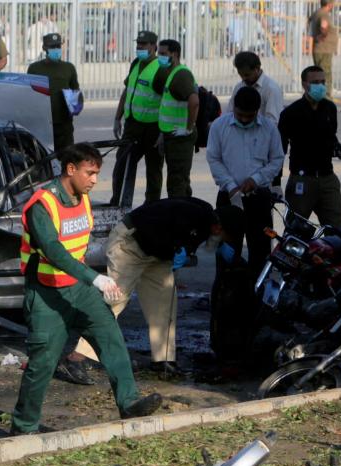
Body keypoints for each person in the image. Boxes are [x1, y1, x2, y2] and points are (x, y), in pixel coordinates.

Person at [12, 143, 162, 434]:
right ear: (71, 169)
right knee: (43, 362)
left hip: (78, 289)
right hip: (46, 293)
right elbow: (54, 252)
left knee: (110, 336)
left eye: (97, 173)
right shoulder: (42, 205)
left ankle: (129, 403)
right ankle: (23, 427)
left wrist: (97, 281)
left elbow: (78, 246)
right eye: (89, 173)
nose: (94, 180)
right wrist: (96, 279)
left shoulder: (81, 198)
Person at [61, 199, 238, 384]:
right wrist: (177, 250)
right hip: (131, 245)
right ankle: (75, 358)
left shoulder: (205, 222)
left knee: (165, 303)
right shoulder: (192, 215)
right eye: (226, 237)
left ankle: (163, 360)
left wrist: (178, 250)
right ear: (218, 228)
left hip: (157, 253)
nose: (224, 242)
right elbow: (163, 231)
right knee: (115, 301)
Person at [206, 86, 284, 272]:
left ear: (257, 112)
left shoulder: (269, 129)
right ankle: (226, 295)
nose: (244, 119)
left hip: (258, 199)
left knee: (261, 250)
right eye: (240, 114)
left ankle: (257, 294)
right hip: (228, 198)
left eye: (249, 116)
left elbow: (277, 160)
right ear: (234, 108)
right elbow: (214, 158)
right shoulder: (220, 126)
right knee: (226, 253)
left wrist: (256, 179)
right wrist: (231, 186)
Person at [278, 66, 341, 227]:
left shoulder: (330, 108)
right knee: (296, 231)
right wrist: (275, 182)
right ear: (304, 84)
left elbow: (330, 137)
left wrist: (338, 149)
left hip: (327, 178)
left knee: (335, 233)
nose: (320, 86)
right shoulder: (291, 113)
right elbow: (280, 149)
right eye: (315, 82)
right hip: (302, 179)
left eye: (323, 82)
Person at [111, 30, 166, 206]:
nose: (140, 47)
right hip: (132, 125)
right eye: (138, 44)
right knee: (122, 164)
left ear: (153, 47)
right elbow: (127, 91)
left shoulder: (160, 68)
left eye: (144, 44)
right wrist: (117, 117)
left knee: (153, 170)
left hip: (153, 128)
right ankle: (119, 202)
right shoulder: (136, 63)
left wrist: (163, 132)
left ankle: (152, 206)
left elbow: (167, 101)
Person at [157, 39, 198, 198]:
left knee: (177, 183)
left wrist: (187, 128)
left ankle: (180, 217)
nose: (160, 57)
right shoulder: (172, 73)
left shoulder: (181, 75)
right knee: (178, 181)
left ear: (174, 54)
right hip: (172, 135)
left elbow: (194, 102)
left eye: (163, 54)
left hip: (180, 138)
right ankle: (184, 214)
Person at [27, 33, 80, 153]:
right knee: (44, 158)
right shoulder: (34, 68)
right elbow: (30, 95)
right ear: (44, 48)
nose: (56, 49)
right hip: (43, 124)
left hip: (64, 125)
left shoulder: (69, 68)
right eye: (52, 47)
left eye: (58, 46)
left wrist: (74, 108)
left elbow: (75, 93)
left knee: (66, 158)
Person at [226, 51, 284, 125]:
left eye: (247, 75)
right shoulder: (239, 87)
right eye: (240, 75)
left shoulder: (271, 89)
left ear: (257, 68)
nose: (243, 78)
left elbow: (274, 121)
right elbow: (229, 114)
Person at [310, 0, 338, 97]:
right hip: (324, 50)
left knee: (318, 76)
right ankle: (326, 102)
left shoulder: (316, 13)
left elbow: (309, 21)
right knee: (325, 76)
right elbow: (323, 26)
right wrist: (322, 35)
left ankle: (317, 101)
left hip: (318, 49)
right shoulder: (324, 14)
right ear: (329, 4)